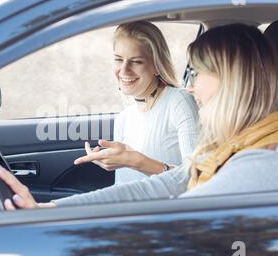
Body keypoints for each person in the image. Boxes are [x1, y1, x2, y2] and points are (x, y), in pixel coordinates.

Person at [0, 23, 278, 210]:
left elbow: (172, 225)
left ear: (231, 81)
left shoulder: (269, 162)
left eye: (199, 75)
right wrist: (48, 210)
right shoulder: (233, 146)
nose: (191, 88)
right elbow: (158, 188)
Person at [74, 21, 200, 184]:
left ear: (156, 66)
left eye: (136, 61)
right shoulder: (123, 118)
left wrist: (135, 161)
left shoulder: (179, 102)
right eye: (119, 60)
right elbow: (122, 186)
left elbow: (196, 178)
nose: (124, 70)